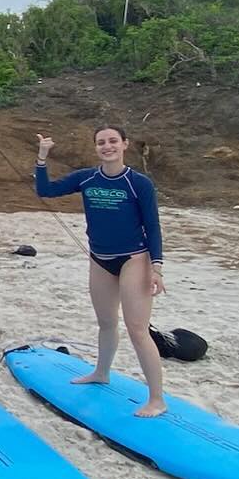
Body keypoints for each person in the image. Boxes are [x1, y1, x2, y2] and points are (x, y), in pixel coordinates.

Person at [35, 125, 167, 416]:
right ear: (96, 147)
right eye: (101, 142)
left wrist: (156, 266)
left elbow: (153, 226)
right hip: (100, 259)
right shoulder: (87, 178)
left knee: (137, 328)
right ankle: (101, 372)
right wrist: (42, 157)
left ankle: (157, 398)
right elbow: (45, 190)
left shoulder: (138, 183)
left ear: (124, 144)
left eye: (112, 141)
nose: (107, 146)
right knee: (106, 322)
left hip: (134, 258)